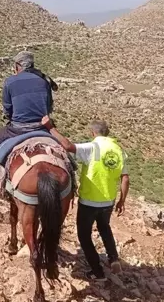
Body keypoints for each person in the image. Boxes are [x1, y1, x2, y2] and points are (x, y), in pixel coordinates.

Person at [42, 116, 129, 281]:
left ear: (93, 132)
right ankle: (113, 258)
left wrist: (50, 127)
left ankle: (97, 271)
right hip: (108, 201)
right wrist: (122, 200)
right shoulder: (119, 150)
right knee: (104, 227)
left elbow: (67, 146)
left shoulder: (93, 147)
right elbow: (125, 178)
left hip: (89, 201)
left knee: (84, 235)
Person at [0, 51, 57, 172]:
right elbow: (49, 107)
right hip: (42, 127)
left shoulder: (10, 81)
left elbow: (7, 109)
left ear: (17, 66)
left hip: (18, 129)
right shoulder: (45, 81)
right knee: (62, 147)